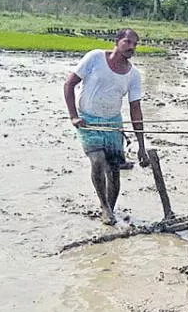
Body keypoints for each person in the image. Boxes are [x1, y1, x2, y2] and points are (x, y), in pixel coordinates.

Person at [63, 28, 149, 225]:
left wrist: (141, 147)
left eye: (135, 44)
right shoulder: (95, 58)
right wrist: (74, 117)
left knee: (114, 170)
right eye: (128, 42)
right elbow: (69, 85)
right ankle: (104, 207)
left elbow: (135, 109)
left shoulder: (133, 75)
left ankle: (110, 207)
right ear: (117, 41)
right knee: (97, 160)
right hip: (88, 120)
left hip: (113, 123)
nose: (132, 47)